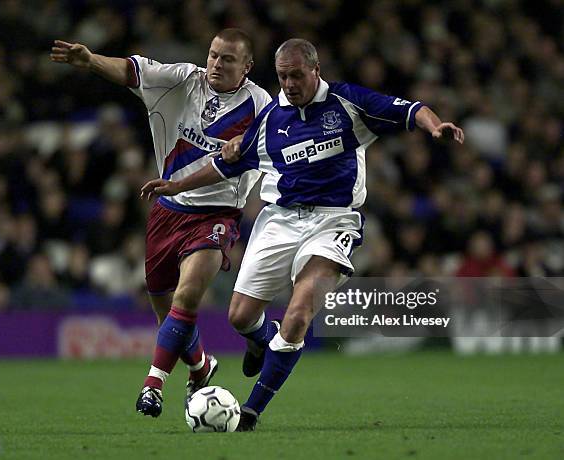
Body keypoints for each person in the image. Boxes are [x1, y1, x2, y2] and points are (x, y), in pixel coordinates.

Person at [140, 38, 465, 431]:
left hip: (333, 220)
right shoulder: (271, 117)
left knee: (299, 311)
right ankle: (262, 338)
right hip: (279, 220)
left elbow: (409, 110)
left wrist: (435, 127)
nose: (289, 83)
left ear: (315, 70)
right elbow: (229, 165)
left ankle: (251, 411)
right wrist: (176, 186)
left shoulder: (347, 103)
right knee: (240, 317)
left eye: (296, 75)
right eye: (282, 77)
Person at [50, 29, 271, 418]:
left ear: (247, 67)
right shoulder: (183, 80)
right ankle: (202, 366)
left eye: (228, 59)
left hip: (217, 215)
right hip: (167, 211)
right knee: (165, 310)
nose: (216, 64)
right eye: (214, 55)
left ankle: (153, 386)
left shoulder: (260, 106)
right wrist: (92, 61)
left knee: (187, 298)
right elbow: (134, 71)